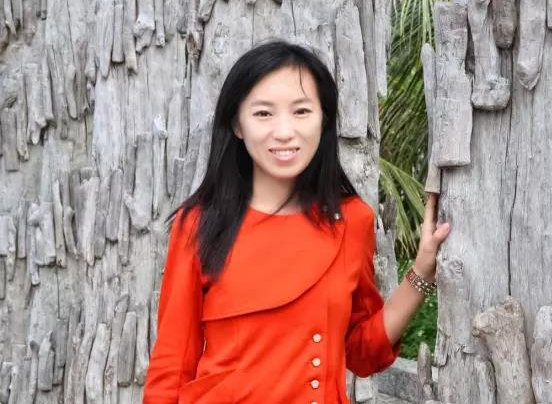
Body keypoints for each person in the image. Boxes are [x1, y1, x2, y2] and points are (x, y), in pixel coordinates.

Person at [142, 40, 450, 403]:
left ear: (323, 119)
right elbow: (171, 368)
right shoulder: (199, 224)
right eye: (263, 114)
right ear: (237, 124)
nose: (285, 131)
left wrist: (421, 272)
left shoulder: (352, 221)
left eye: (301, 111)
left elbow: (363, 353)